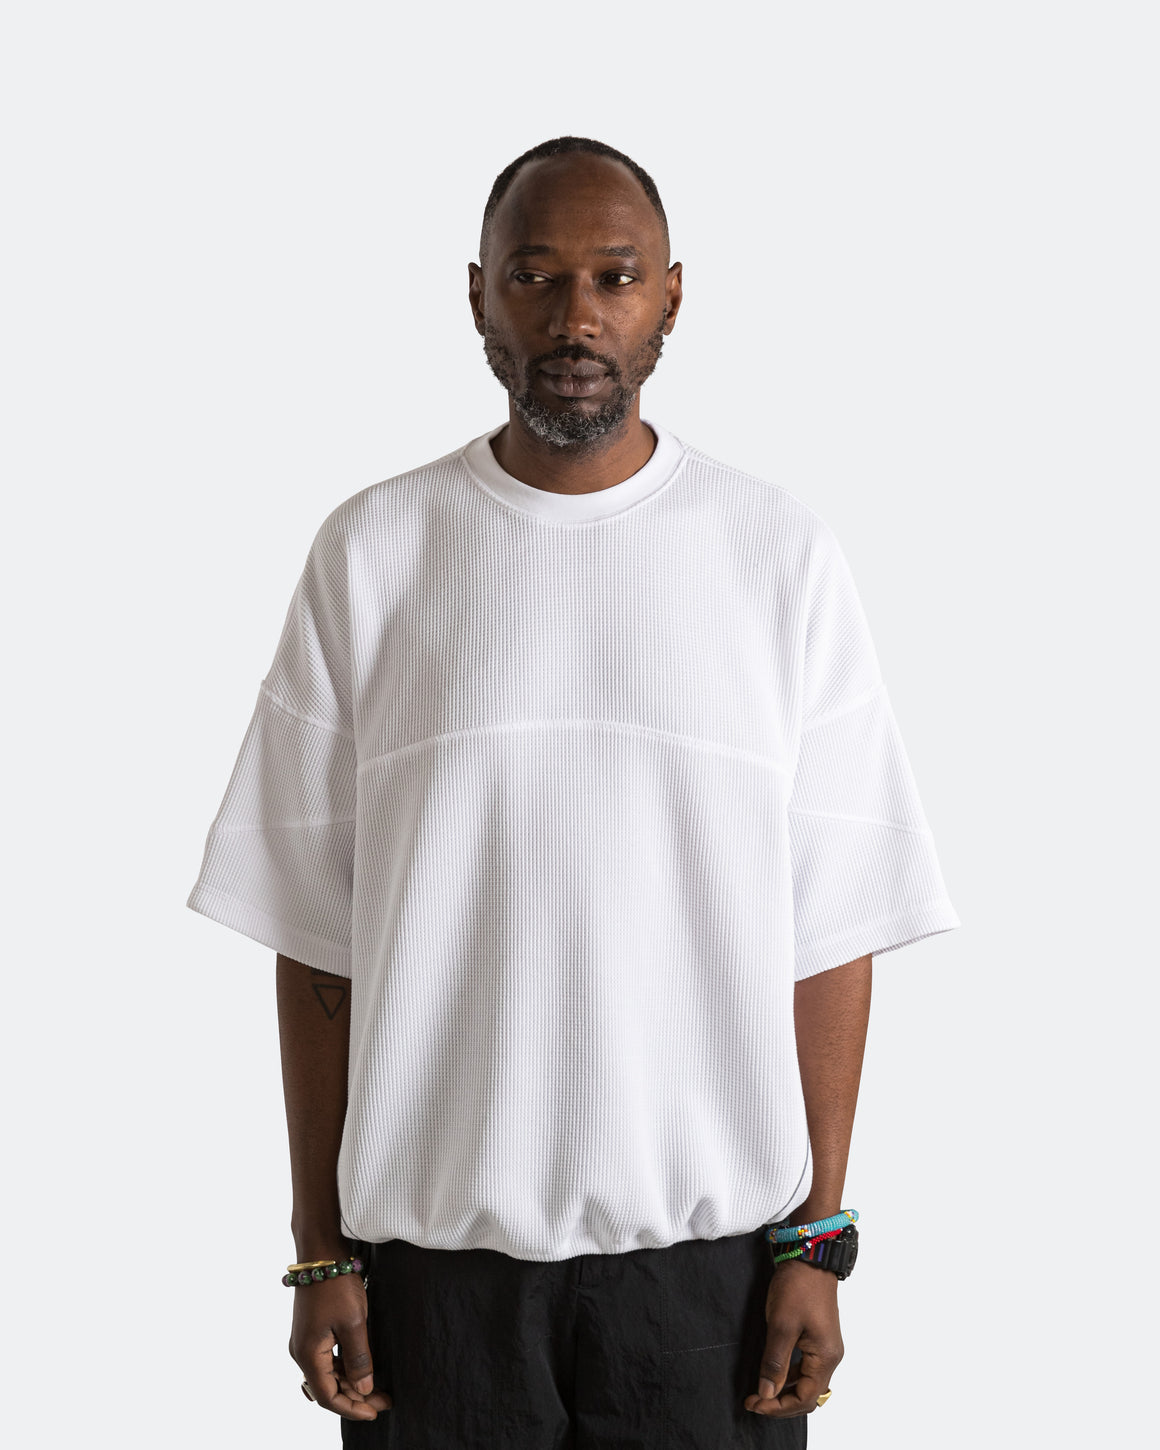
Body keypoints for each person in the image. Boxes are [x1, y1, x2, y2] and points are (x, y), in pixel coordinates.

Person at [187, 135, 961, 1448]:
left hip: (714, 1283)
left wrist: (816, 1239)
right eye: (535, 276)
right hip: (434, 1287)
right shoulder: (375, 553)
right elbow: (317, 937)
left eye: (615, 275)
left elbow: (833, 927)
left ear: (672, 295)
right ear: (477, 294)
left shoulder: (777, 556)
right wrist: (320, 1247)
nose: (576, 315)